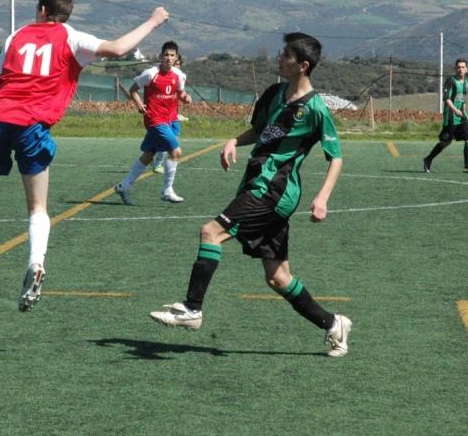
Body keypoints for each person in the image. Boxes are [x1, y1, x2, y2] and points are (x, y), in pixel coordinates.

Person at [0, 0, 170, 311]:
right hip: (32, 124)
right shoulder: (71, 37)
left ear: (42, 10)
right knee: (37, 207)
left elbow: (0, 81)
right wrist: (153, 20)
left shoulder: (16, 36)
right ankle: (36, 266)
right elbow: (118, 49)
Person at [149, 32, 353, 357]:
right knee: (278, 277)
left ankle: (192, 309)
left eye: (285, 55)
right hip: (257, 184)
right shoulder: (275, 93)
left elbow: (336, 156)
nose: (278, 58)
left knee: (210, 233)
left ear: (302, 65)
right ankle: (333, 324)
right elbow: (259, 132)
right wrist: (233, 140)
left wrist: (322, 198)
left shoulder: (316, 109)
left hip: (274, 191)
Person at [114, 41, 191, 204]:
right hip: (154, 120)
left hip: (170, 120)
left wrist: (186, 98)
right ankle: (167, 190)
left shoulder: (179, 75)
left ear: (176, 57)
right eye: (166, 55)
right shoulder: (150, 74)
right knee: (176, 152)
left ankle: (124, 186)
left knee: (148, 155)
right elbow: (133, 89)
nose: (168, 58)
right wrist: (139, 104)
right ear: (160, 56)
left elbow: (181, 93)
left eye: (172, 55)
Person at [423, 58, 468, 174]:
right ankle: (428, 159)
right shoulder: (451, 81)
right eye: (458, 67)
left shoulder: (466, 83)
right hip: (451, 115)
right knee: (446, 142)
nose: (461, 69)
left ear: (467, 69)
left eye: (463, 67)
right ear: (455, 69)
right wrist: (455, 110)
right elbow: (446, 99)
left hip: (462, 115)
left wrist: (463, 110)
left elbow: (463, 99)